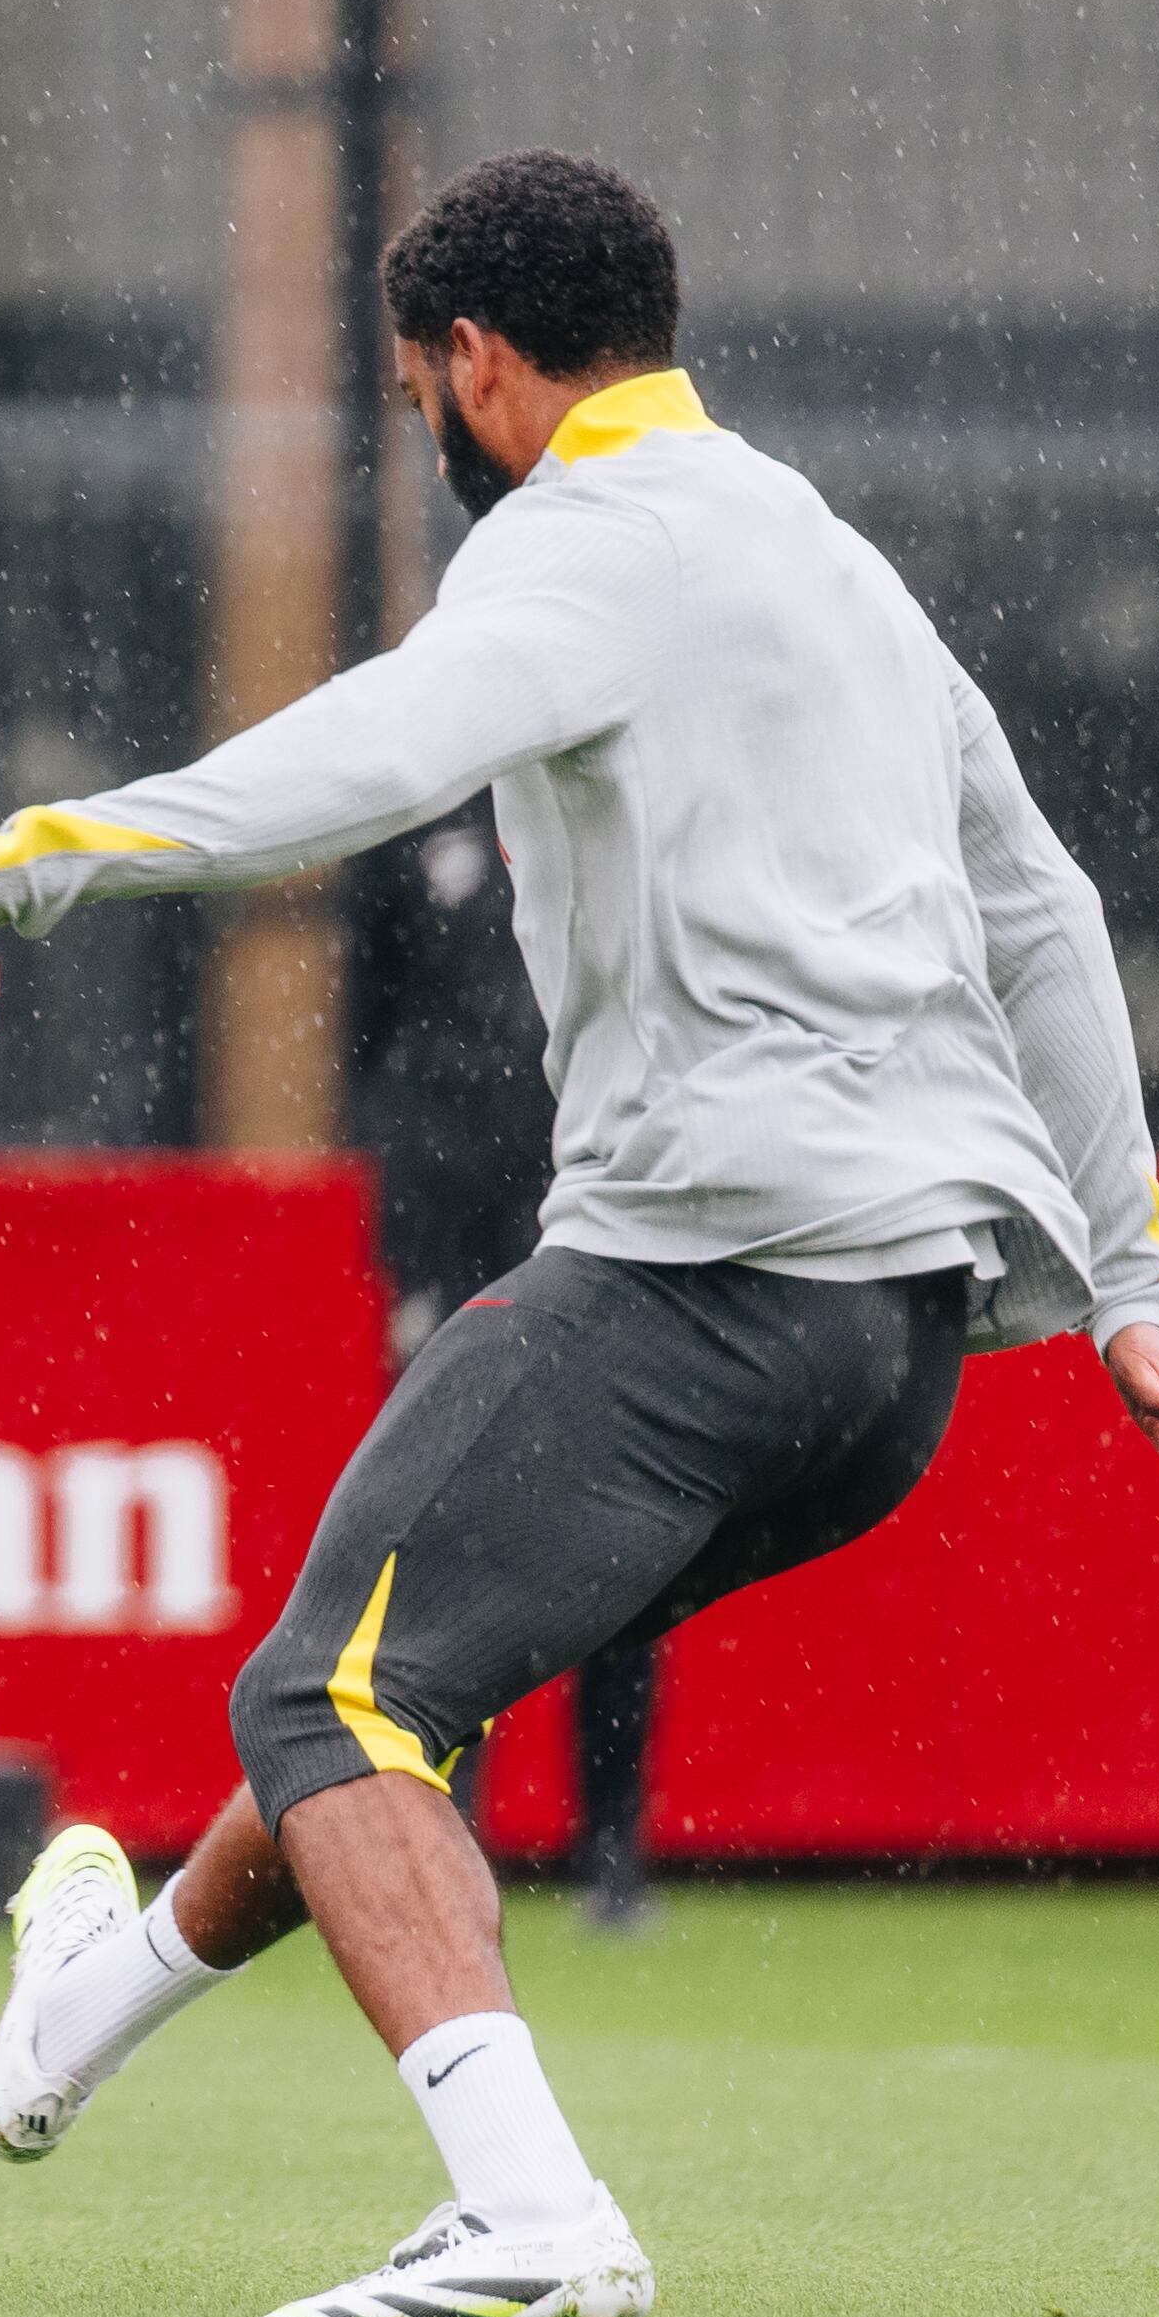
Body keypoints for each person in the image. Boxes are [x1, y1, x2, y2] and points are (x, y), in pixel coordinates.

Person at [0, 150, 1159, 2317]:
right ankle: (76, 2012)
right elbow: (1049, 918)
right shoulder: (823, 551)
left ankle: (527, 2209)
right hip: (889, 1355)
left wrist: (15, 856)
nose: (428, 420)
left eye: (424, 380)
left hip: (700, 1276)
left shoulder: (575, 551)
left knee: (321, 1693)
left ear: (478, 365)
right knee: (384, 1698)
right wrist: (1141, 1288)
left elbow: (352, 760)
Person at [352, 802, 667, 1930]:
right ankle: (451, 1835)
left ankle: (612, 1850)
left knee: (625, 1539)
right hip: (456, 1224)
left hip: (590, 1213)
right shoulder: (412, 834)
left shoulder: (613, 808)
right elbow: (376, 1048)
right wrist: (409, 1258)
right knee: (450, 1539)